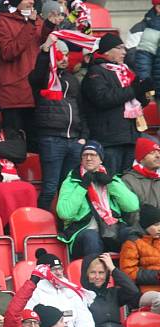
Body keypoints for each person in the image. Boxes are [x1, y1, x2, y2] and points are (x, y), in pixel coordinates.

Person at [30, 34, 88, 210]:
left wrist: (84, 136)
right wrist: (45, 52)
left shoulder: (72, 79)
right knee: (49, 188)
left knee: (67, 189)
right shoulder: (43, 78)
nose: (64, 58)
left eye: (67, 54)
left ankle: (63, 227)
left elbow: (81, 109)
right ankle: (41, 225)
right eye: (60, 54)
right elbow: (36, 75)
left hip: (74, 140)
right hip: (52, 139)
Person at [82, 33, 152, 175]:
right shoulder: (96, 72)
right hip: (109, 139)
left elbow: (136, 102)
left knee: (126, 184)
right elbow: (103, 99)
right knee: (111, 181)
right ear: (107, 51)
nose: (124, 52)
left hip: (130, 137)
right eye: (120, 48)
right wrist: (135, 89)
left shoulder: (126, 72)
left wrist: (143, 91)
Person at [57, 141, 140, 259]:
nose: (89, 158)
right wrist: (82, 186)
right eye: (85, 155)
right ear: (81, 159)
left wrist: (110, 183)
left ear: (101, 159)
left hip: (111, 229)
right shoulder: (72, 181)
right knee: (92, 237)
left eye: (93, 155)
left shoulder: (110, 178)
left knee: (133, 234)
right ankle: (93, 276)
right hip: (82, 232)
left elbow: (132, 205)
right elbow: (65, 213)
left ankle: (130, 275)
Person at [0, 0, 47, 133]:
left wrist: (50, 26)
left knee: (34, 147)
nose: (32, 1)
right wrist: (29, 26)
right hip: (12, 95)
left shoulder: (37, 20)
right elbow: (8, 52)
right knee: (15, 144)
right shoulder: (3, 22)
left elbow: (42, 42)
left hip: (35, 93)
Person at [26, 249, 96, 327]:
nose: (59, 273)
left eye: (60, 268)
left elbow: (85, 321)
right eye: (54, 269)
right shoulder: (34, 293)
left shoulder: (71, 290)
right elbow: (30, 324)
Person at [120, 203, 160, 312]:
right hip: (143, 292)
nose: (159, 228)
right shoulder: (132, 242)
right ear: (146, 225)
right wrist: (156, 276)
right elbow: (127, 273)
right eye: (156, 225)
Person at [120, 138, 160, 209]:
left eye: (159, 153)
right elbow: (129, 211)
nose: (158, 156)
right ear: (141, 158)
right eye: (152, 153)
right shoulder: (128, 179)